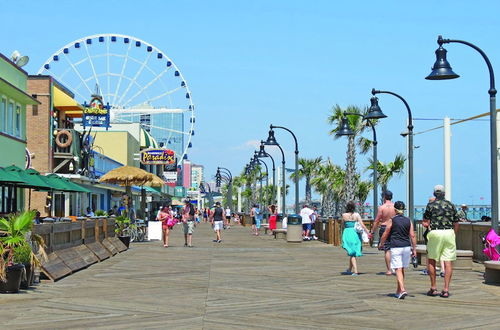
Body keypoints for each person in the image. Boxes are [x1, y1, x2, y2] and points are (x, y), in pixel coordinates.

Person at [423, 185, 460, 298]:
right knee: (448, 261)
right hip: (449, 232)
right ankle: (446, 289)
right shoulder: (451, 205)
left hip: (435, 233)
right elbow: (456, 222)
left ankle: (433, 288)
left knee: (432, 260)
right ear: (444, 194)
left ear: (434, 194)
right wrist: (453, 233)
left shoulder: (430, 205)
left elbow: (425, 221)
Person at [379, 201, 417, 299]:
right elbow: (412, 235)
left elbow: (386, 232)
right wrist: (414, 249)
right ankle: (398, 290)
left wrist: (381, 243)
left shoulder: (392, 220)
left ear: (395, 210)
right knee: (401, 269)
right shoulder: (408, 220)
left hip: (396, 246)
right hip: (406, 247)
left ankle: (403, 289)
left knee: (398, 269)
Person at [370, 190, 396, 275]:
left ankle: (389, 270)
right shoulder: (395, 206)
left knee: (387, 249)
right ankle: (395, 268)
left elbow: (377, 220)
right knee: (395, 249)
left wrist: (372, 232)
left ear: (384, 197)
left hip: (384, 227)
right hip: (394, 227)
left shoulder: (382, 207)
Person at [341, 201, 370, 275]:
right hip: (355, 233)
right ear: (354, 207)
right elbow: (362, 225)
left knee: (352, 252)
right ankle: (349, 269)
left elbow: (342, 225)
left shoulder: (344, 215)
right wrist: (368, 232)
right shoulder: (356, 215)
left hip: (347, 232)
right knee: (352, 252)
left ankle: (355, 271)